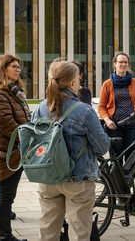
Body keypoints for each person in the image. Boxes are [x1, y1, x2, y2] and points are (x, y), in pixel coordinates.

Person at [33, 60, 110, 241]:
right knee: (79, 233)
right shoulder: (84, 111)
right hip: (79, 179)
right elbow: (102, 147)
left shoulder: (41, 108)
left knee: (47, 232)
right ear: (72, 83)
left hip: (47, 177)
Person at [0, 55, 29, 241]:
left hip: (15, 150)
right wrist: (29, 138)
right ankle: (4, 235)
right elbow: (8, 126)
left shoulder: (11, 92)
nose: (18, 70)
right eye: (13, 66)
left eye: (19, 67)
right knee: (6, 195)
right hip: (7, 151)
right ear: (3, 68)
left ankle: (5, 234)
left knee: (8, 194)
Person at [98, 52, 135, 160]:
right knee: (116, 156)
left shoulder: (134, 82)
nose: (123, 64)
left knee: (131, 155)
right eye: (120, 62)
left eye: (125, 62)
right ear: (115, 64)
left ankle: (129, 177)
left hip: (132, 125)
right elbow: (101, 107)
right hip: (114, 126)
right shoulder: (107, 84)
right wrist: (107, 120)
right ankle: (117, 177)